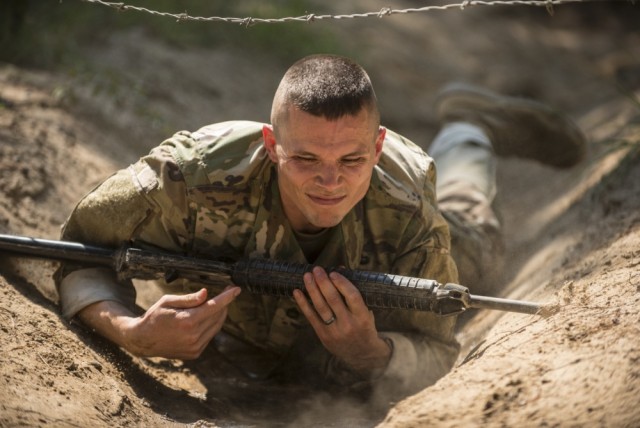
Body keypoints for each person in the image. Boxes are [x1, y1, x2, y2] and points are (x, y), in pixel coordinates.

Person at [55, 54, 585, 396]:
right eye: (306, 159)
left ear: (376, 148)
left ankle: (471, 126)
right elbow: (77, 249)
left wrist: (372, 354)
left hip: (419, 224)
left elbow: (440, 355)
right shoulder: (186, 179)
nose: (329, 182)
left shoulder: (407, 217)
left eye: (351, 161)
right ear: (271, 145)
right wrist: (131, 332)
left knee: (476, 229)